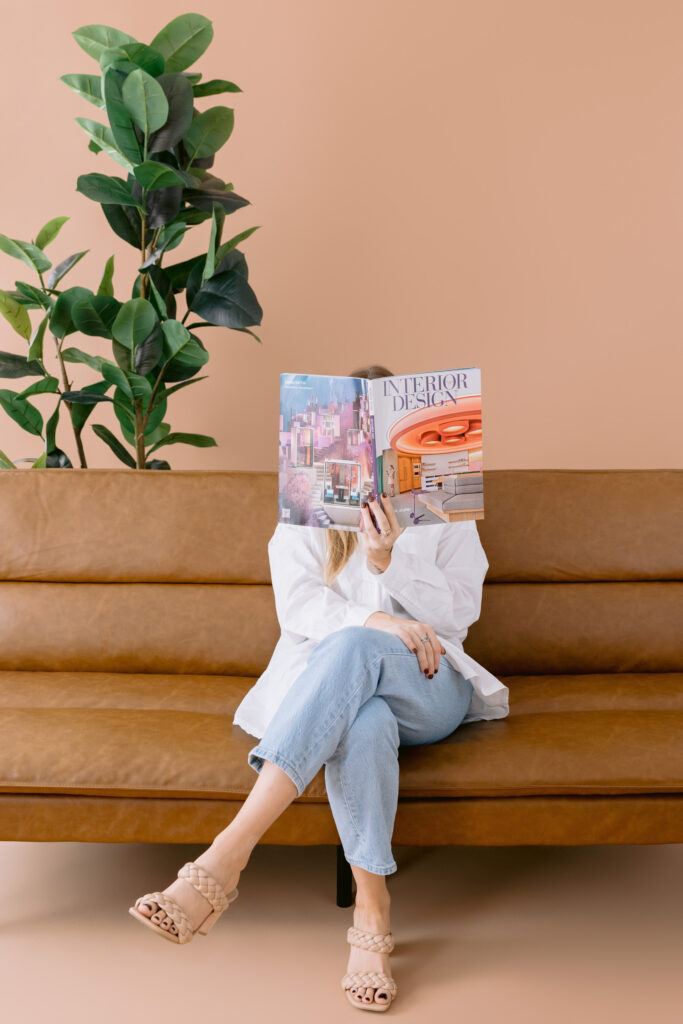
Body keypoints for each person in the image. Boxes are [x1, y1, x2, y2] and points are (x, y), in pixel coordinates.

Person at [129, 364, 509, 1013]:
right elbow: (298, 609)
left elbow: (457, 618)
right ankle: (372, 916)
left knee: (357, 645)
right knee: (361, 720)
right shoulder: (306, 507)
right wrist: (374, 616)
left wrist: (391, 561)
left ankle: (225, 858)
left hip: (431, 681)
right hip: (335, 688)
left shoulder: (449, 502)